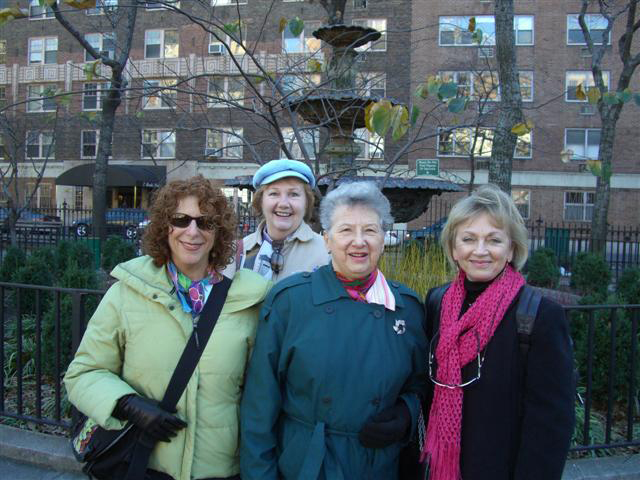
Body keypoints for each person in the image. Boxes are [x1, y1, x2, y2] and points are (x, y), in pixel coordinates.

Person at [64, 176, 270, 480]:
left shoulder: (250, 299)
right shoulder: (127, 293)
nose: (193, 231)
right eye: (181, 220)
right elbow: (83, 373)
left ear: (218, 231)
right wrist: (127, 404)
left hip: (219, 469)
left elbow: (265, 389)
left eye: (205, 222)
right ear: (164, 226)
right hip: (144, 465)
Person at [240, 181, 427, 480]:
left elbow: (421, 385)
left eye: (370, 230)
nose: (359, 242)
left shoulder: (407, 307)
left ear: (383, 238)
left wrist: (406, 412)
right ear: (326, 240)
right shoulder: (291, 301)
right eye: (346, 230)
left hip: (379, 465)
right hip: (307, 464)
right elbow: (259, 405)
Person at [421, 184, 575, 480]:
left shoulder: (539, 315)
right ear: (453, 248)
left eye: (493, 240)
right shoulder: (437, 302)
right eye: (468, 239)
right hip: (440, 467)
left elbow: (551, 421)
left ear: (511, 249)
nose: (480, 251)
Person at [223, 159, 329, 282]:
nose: (283, 204)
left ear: (306, 202)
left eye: (294, 194)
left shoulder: (328, 253)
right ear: (261, 201)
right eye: (274, 193)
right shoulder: (235, 252)